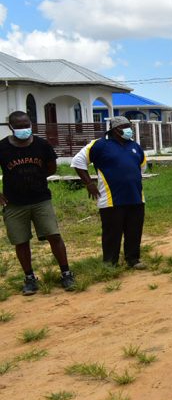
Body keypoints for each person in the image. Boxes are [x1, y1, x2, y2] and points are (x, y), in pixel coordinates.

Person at [0, 111, 75, 295]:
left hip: (41, 199)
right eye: (19, 126)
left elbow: (51, 167)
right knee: (21, 241)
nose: (24, 129)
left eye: (27, 124)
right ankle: (29, 278)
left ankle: (66, 273)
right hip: (14, 202)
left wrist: (36, 180)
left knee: (54, 235)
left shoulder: (41, 145)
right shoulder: (2, 147)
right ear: (11, 127)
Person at [72, 116, 147, 270]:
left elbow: (142, 167)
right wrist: (88, 183)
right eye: (125, 127)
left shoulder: (135, 146)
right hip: (111, 198)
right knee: (112, 232)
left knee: (134, 229)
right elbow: (78, 162)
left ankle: (133, 259)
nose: (129, 130)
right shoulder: (100, 145)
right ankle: (110, 262)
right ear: (115, 130)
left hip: (135, 196)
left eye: (129, 126)